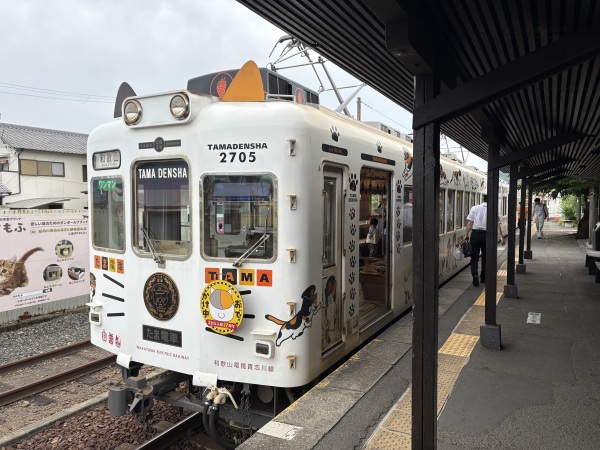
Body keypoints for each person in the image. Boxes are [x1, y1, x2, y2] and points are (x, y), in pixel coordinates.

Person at [460, 195, 505, 286]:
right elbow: (497, 225)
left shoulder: (475, 208)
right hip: (487, 236)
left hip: (475, 235)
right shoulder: (493, 210)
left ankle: (474, 274)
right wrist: (501, 236)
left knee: (474, 257)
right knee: (486, 257)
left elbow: (470, 222)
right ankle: (483, 277)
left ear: (483, 200)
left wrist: (465, 234)